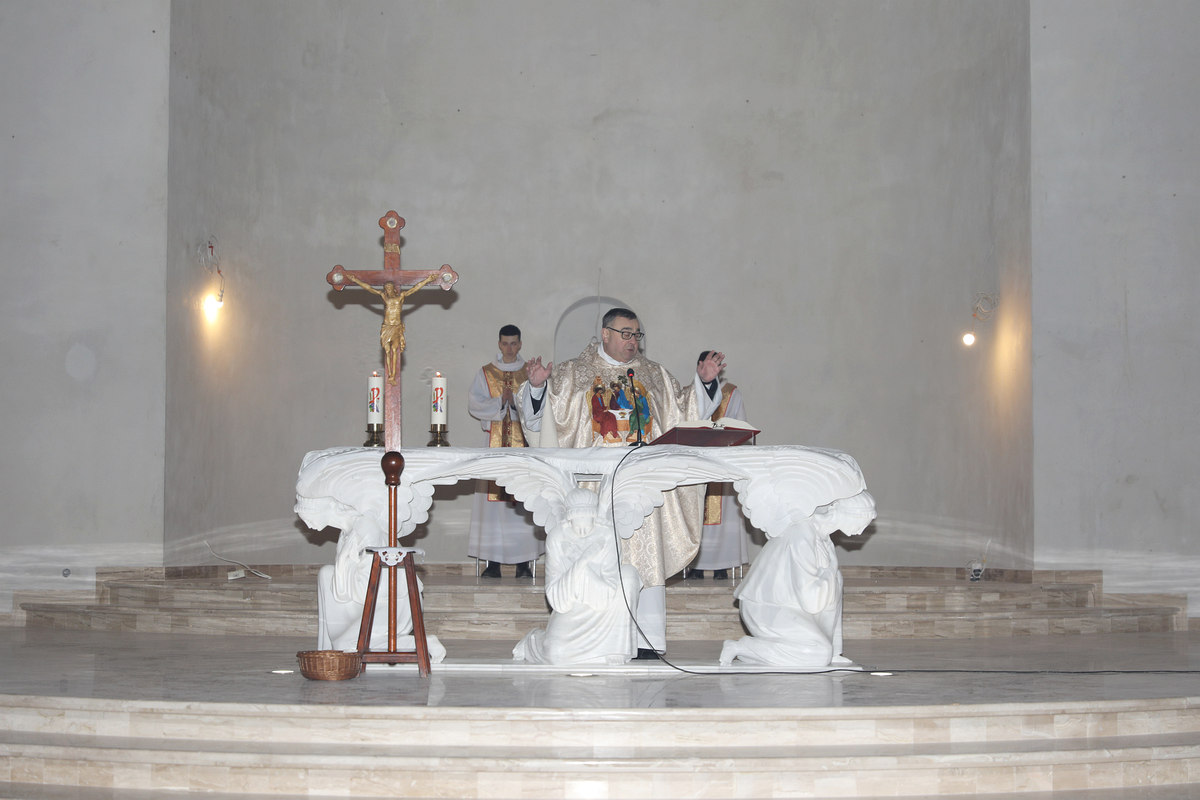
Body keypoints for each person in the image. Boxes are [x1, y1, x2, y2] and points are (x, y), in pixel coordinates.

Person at [519, 307, 726, 658]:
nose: (632, 341)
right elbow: (545, 422)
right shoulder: (572, 373)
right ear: (605, 334)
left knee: (646, 558)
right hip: (594, 488)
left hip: (642, 485)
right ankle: (599, 640)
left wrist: (704, 384)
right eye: (625, 333)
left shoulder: (654, 374)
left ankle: (647, 641)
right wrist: (537, 388)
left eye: (636, 335)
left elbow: (685, 411)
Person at [467, 325, 545, 579]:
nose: (509, 348)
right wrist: (500, 401)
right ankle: (493, 563)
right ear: (499, 344)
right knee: (493, 510)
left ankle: (523, 563)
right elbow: (474, 403)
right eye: (505, 343)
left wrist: (518, 402)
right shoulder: (486, 372)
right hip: (495, 446)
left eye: (513, 343)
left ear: (520, 344)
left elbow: (541, 404)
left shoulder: (529, 371)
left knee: (522, 504)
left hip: (523, 446)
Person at [683, 351, 751, 581]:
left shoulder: (731, 392)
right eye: (710, 363)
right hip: (697, 462)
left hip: (723, 461)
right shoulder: (690, 393)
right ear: (700, 365)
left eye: (718, 363)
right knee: (696, 515)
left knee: (726, 517)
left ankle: (722, 565)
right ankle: (695, 565)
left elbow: (740, 424)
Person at [346, 273, 439, 384]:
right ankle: (390, 374)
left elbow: (415, 288)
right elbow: (369, 288)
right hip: (387, 326)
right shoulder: (384, 296)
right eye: (386, 288)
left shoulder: (401, 296)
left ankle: (392, 376)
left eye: (390, 287)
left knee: (394, 350)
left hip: (396, 326)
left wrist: (427, 280)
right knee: (387, 351)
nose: (388, 290)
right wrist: (355, 280)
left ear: (394, 289)